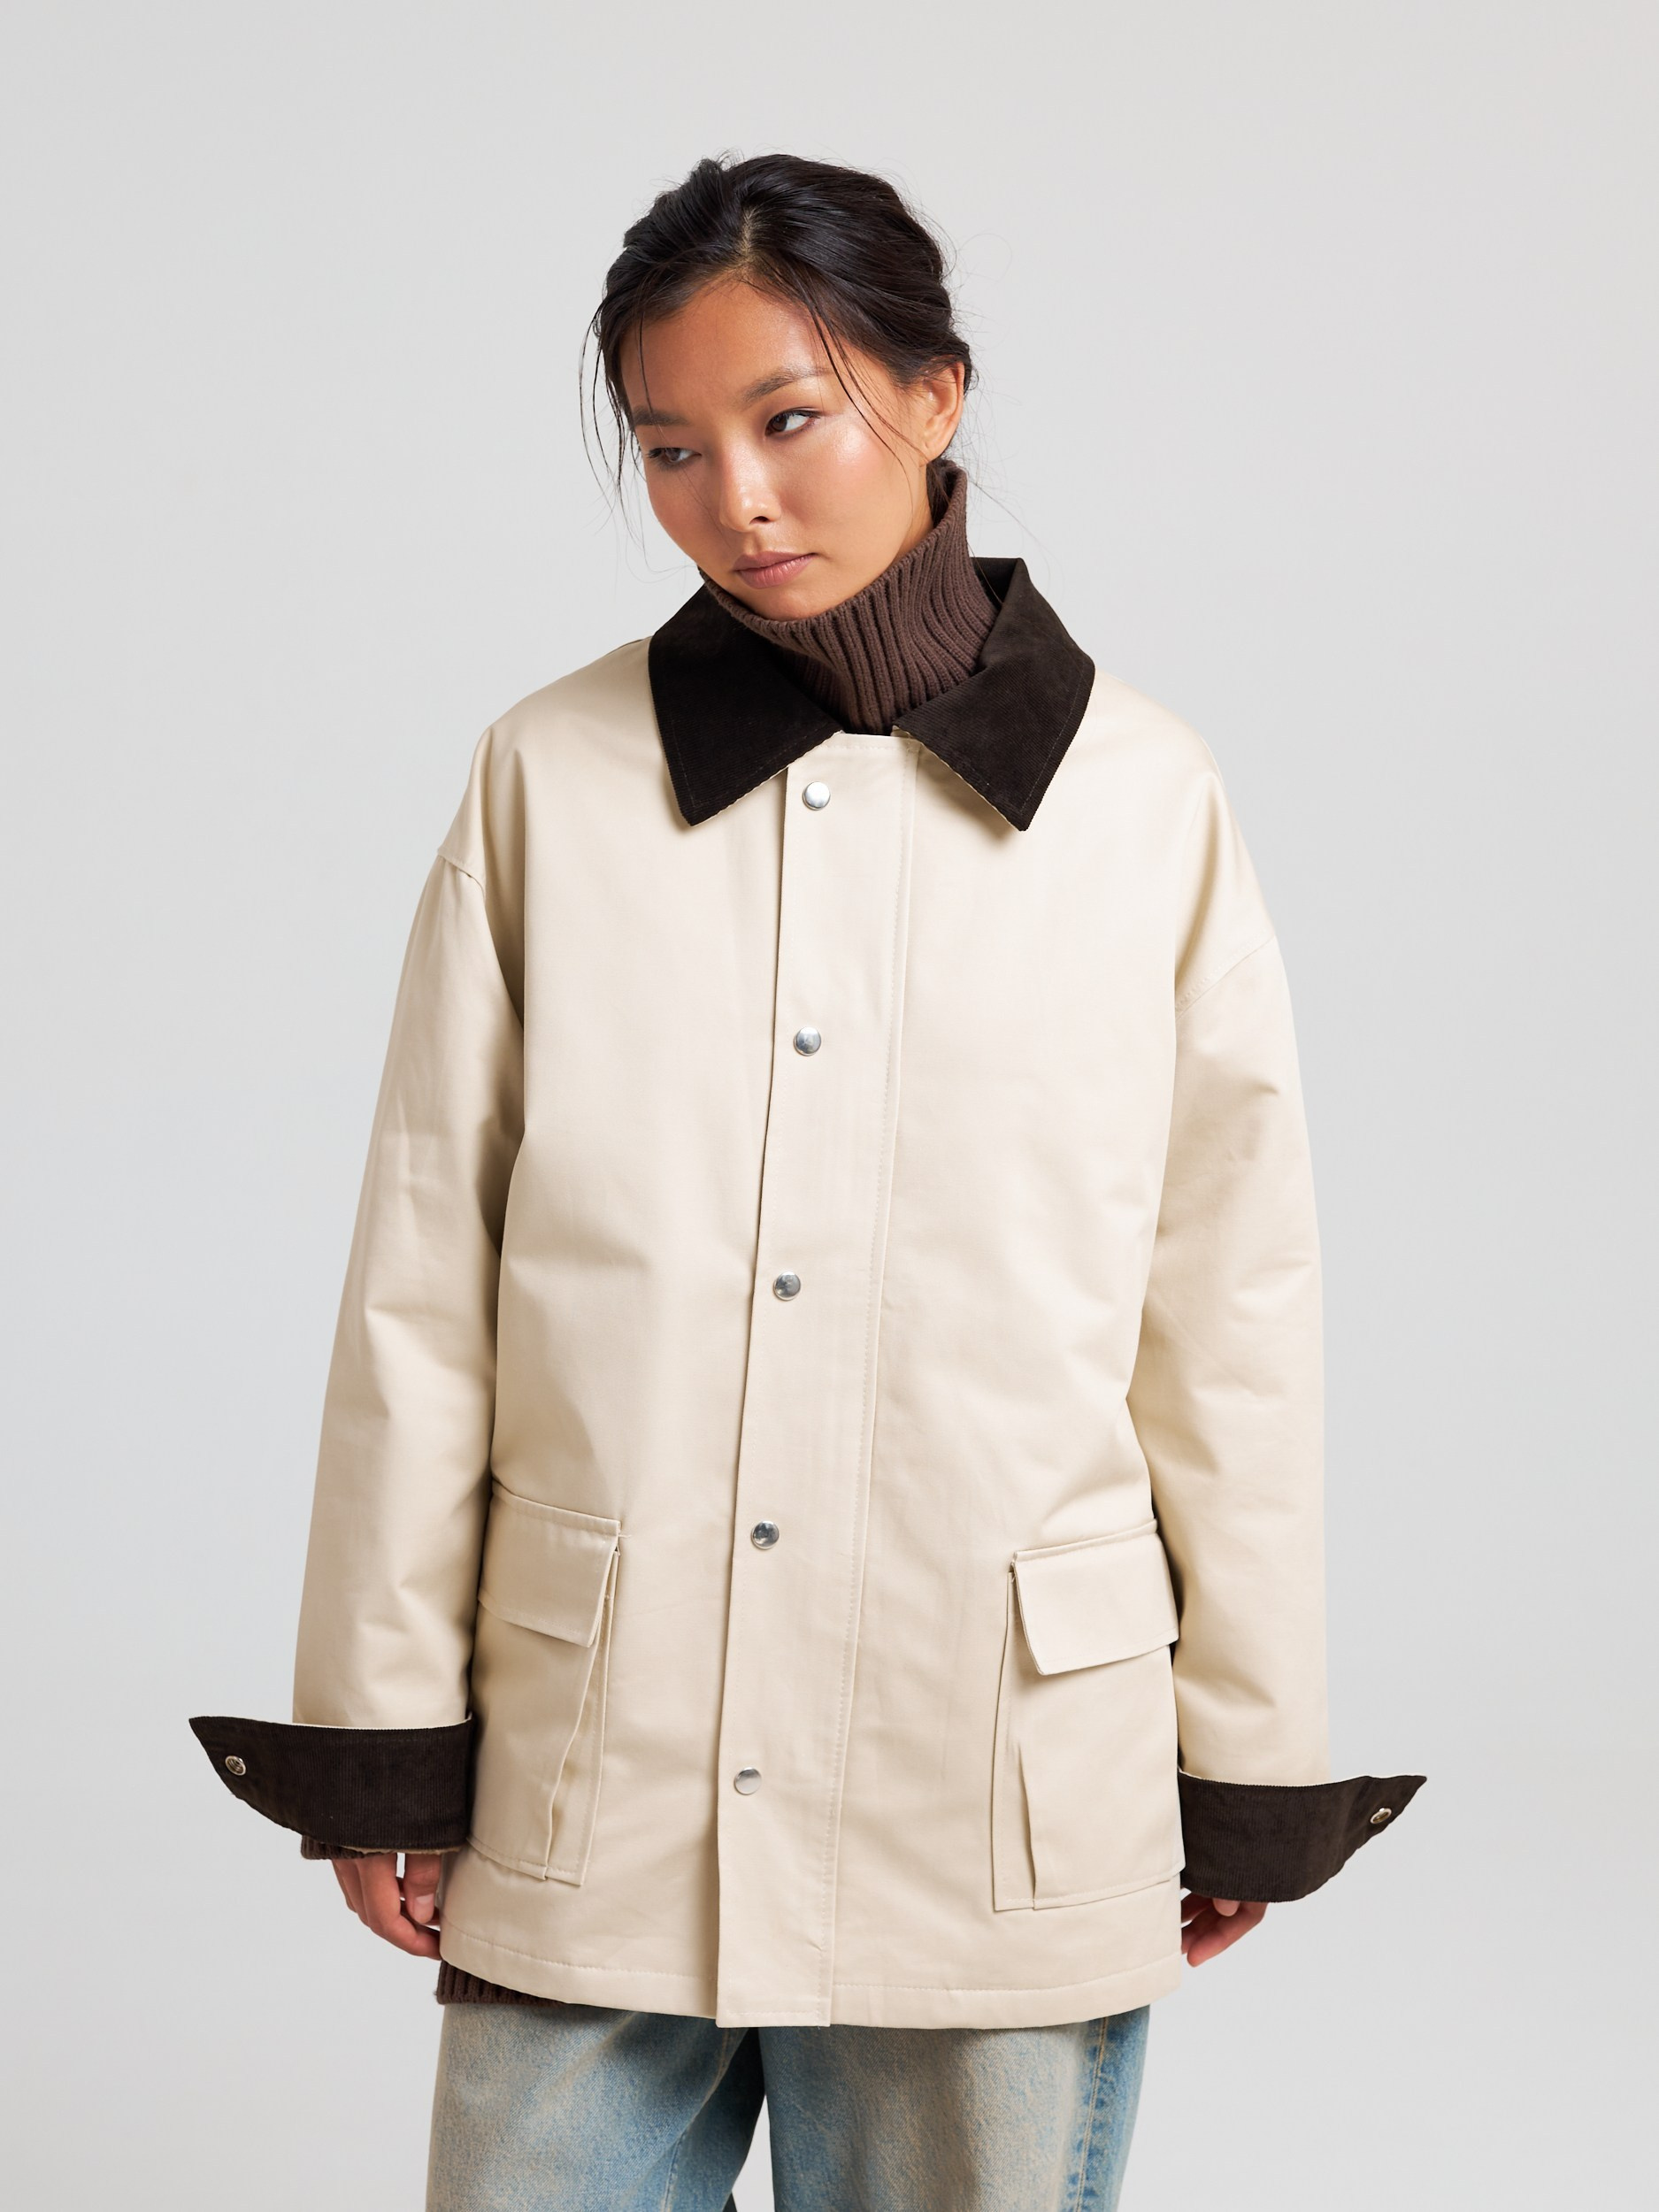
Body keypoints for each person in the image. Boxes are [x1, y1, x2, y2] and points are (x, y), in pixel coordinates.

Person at [192, 152, 1423, 2211]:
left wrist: (1239, 1754)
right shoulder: (549, 777)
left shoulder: (1140, 803)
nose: (734, 501)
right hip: (601, 1759)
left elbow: (1230, 1319)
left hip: (995, 1776)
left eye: (788, 420)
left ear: (935, 394)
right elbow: (424, 1282)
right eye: (671, 448)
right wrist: (385, 1725)